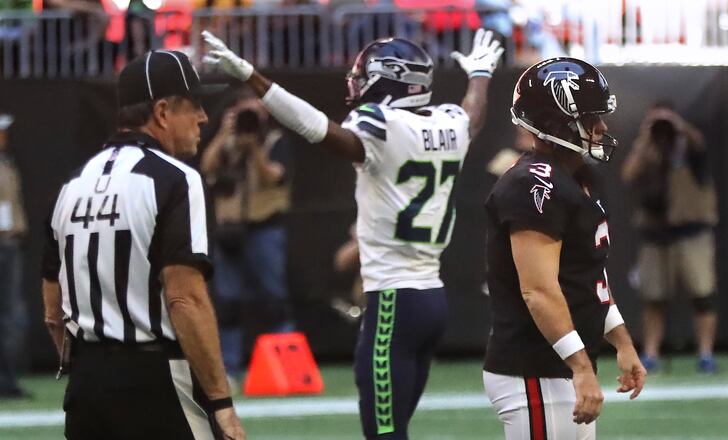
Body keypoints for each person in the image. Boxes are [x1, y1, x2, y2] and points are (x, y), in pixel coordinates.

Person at [202, 27, 503, 439]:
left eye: (364, 75)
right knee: (394, 429)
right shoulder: (449, 123)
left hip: (392, 302)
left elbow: (314, 126)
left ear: (390, 79)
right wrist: (481, 74)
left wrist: (252, 77)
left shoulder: (381, 126)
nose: (356, 82)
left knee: (383, 434)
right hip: (432, 298)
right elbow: (474, 113)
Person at [40, 50, 245, 439]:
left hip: (87, 387)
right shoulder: (177, 179)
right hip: (156, 379)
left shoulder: (71, 185)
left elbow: (53, 310)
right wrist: (221, 402)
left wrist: (87, 367)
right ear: (163, 112)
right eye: (195, 105)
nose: (204, 117)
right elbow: (184, 299)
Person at [483, 57, 646, 439]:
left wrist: (621, 341)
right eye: (591, 118)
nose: (602, 127)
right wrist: (581, 367)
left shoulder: (582, 177)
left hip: (560, 362)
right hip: (535, 366)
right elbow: (538, 290)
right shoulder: (532, 184)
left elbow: (585, 279)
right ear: (557, 124)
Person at [200, 92, 296, 383]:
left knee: (274, 298)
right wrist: (223, 134)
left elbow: (273, 177)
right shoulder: (226, 144)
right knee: (227, 301)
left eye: (256, 114)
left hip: (265, 228)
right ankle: (229, 368)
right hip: (230, 230)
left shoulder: (275, 142)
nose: (250, 120)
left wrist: (255, 149)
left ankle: (287, 367)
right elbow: (207, 167)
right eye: (244, 114)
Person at [621, 102, 719, 374]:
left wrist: (678, 125)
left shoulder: (689, 146)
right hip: (655, 234)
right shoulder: (648, 150)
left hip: (692, 231)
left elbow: (699, 144)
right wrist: (645, 138)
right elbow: (628, 174)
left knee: (702, 294)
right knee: (653, 296)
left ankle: (706, 353)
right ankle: (651, 353)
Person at [0, 113, 30, 400]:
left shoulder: (7, 163)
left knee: (12, 315)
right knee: (8, 314)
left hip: (10, 243)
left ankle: (8, 379)